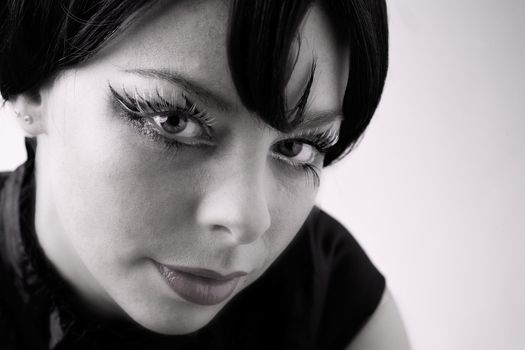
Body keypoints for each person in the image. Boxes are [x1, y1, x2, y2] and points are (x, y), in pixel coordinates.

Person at [0, 0, 410, 349]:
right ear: (33, 88)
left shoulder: (333, 303)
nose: (247, 220)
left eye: (296, 147)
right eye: (173, 120)